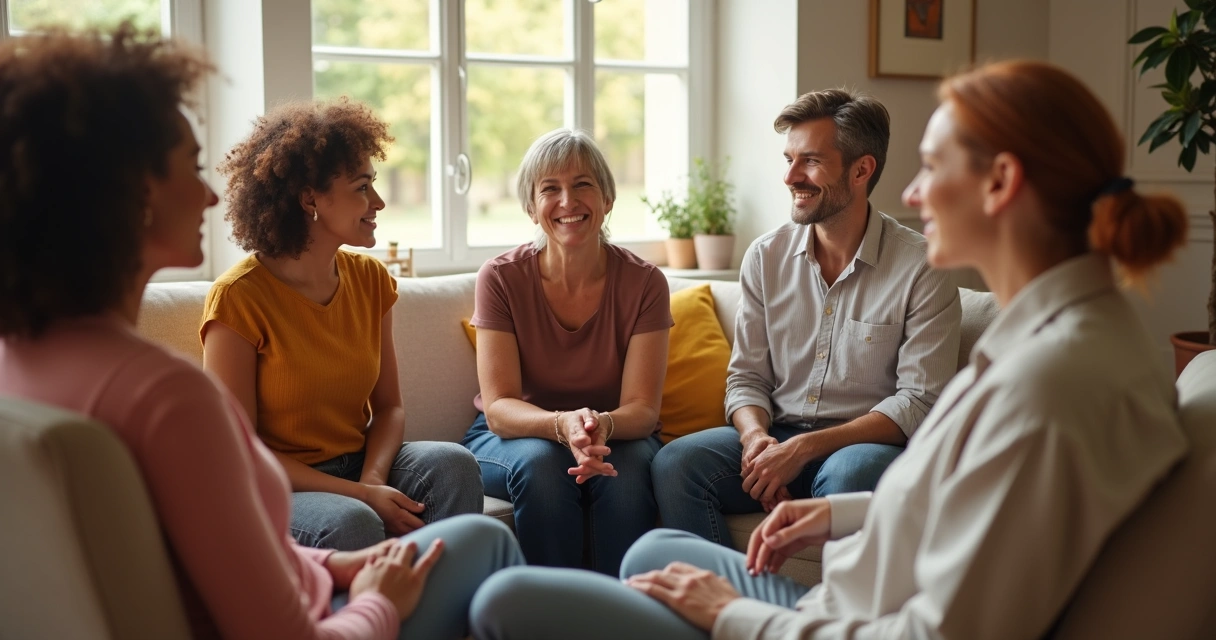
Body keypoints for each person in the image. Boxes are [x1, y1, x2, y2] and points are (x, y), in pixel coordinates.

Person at [468, 60, 1191, 639]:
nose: (914, 193)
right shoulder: (1054, 333)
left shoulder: (1051, 384)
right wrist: (838, 516)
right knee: (654, 551)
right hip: (836, 601)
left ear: (1000, 183)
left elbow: (933, 628)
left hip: (831, 623)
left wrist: (732, 614)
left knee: (502, 596)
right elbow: (963, 506)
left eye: (931, 166)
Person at [0, 25, 523, 640]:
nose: (210, 194)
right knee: (488, 547)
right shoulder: (167, 398)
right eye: (192, 167)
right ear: (134, 195)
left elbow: (197, 550)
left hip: (306, 569)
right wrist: (378, 602)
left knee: (450, 483)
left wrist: (332, 562)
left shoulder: (19, 363)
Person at [652, 88, 961, 545]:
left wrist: (803, 449)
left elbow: (918, 401)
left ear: (861, 170)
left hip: (862, 448)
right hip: (777, 435)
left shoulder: (922, 267)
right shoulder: (765, 256)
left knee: (851, 476)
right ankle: (721, 589)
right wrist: (756, 440)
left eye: (811, 161)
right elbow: (747, 378)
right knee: (676, 464)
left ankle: (833, 594)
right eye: (789, 159)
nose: (790, 176)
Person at [201, 99, 483, 552]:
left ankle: (442, 592)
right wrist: (362, 496)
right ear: (310, 199)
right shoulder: (239, 298)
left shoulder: (371, 280)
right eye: (362, 187)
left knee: (453, 464)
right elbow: (242, 451)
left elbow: (389, 408)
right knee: (352, 520)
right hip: (281, 485)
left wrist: (372, 479)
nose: (379, 202)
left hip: (358, 465)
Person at [461, 128, 673, 576]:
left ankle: (622, 606)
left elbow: (643, 409)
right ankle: (553, 606)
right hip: (517, 435)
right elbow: (499, 409)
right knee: (542, 466)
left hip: (616, 431)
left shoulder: (645, 283)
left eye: (582, 185)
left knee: (626, 475)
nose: (567, 201)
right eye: (549, 189)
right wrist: (562, 425)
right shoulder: (500, 278)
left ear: (607, 198)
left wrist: (599, 427)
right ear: (530, 207)